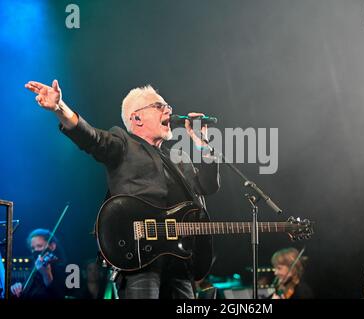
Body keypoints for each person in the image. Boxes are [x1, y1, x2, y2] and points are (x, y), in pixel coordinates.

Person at [24, 80, 220, 299]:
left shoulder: (178, 158)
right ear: (136, 117)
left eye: (168, 107)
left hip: (180, 260)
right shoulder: (124, 143)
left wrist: (204, 145)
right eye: (159, 106)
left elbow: (207, 186)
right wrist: (60, 107)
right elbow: (91, 138)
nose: (169, 110)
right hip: (139, 257)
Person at [10, 229, 67, 299]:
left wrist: (46, 274)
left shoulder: (61, 268)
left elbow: (57, 295)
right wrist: (18, 286)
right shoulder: (35, 267)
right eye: (33, 248)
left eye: (39, 246)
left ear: (52, 246)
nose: (36, 250)